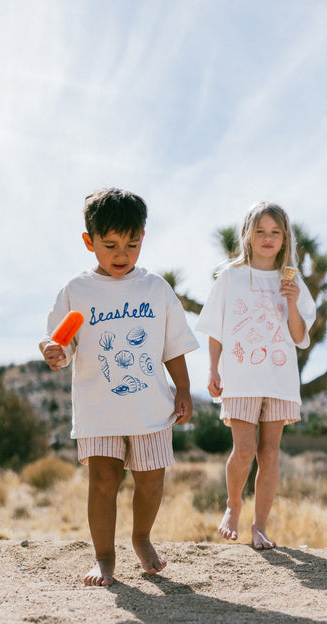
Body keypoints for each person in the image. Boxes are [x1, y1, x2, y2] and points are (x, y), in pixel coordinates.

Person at [40, 188, 199, 585]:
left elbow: (173, 346)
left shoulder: (157, 289)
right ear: (89, 241)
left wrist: (182, 389)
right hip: (99, 409)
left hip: (151, 408)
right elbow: (58, 341)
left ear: (143, 236)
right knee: (103, 483)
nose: (121, 254)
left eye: (131, 243)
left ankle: (141, 537)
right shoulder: (76, 291)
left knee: (151, 479)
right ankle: (104, 557)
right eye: (109, 244)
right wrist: (53, 350)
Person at [195, 202, 315, 549]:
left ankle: (259, 526)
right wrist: (213, 368)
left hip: (279, 381)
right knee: (244, 450)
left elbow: (297, 336)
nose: (267, 238)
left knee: (270, 453)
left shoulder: (292, 280)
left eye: (275, 232)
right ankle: (233, 506)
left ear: (284, 238)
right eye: (260, 231)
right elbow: (215, 329)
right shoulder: (231, 277)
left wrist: (292, 302)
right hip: (241, 378)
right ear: (248, 235)